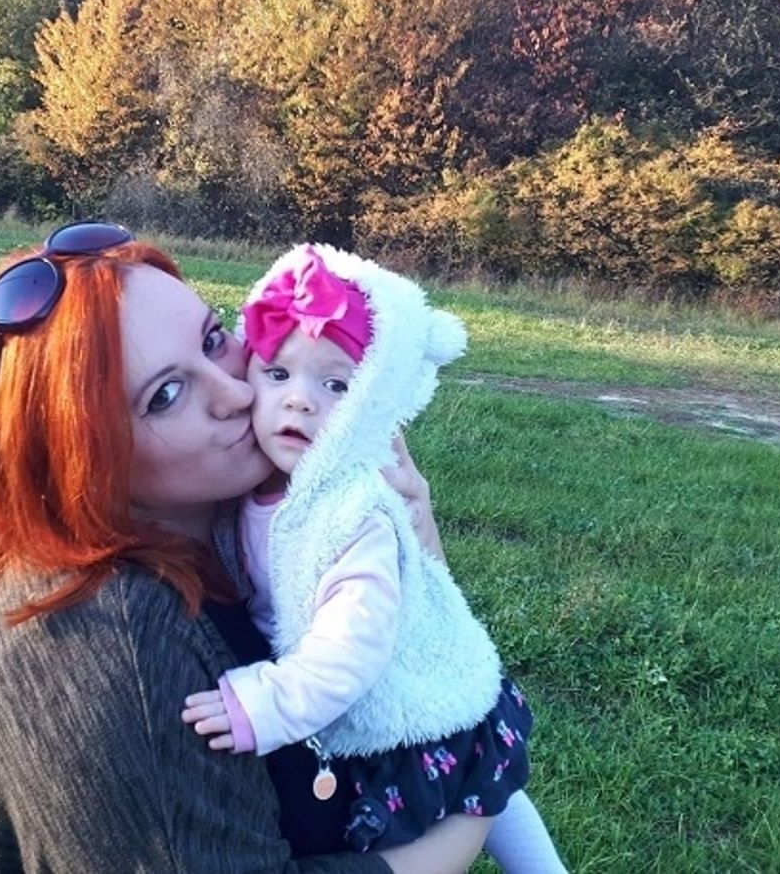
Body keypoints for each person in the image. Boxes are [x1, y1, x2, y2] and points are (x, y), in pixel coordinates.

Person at [0, 221, 490, 873]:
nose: (239, 393)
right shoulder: (121, 645)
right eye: (166, 395)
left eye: (213, 339)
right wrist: (466, 822)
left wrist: (419, 558)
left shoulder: (253, 533)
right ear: (82, 466)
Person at [181, 245, 567, 872]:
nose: (299, 400)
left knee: (479, 785)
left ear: (373, 404)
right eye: (277, 373)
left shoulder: (353, 515)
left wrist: (269, 703)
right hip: (404, 679)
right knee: (488, 781)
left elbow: (351, 646)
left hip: (410, 694)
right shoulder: (250, 487)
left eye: (336, 385)